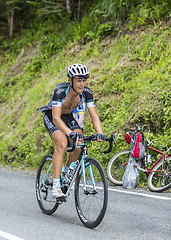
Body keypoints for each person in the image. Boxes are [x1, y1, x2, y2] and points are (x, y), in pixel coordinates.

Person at [38, 64, 106, 198]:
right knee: (62, 143)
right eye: (78, 80)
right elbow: (57, 119)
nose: (82, 84)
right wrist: (70, 133)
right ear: (70, 80)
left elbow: (94, 115)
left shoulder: (86, 93)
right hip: (52, 116)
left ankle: (65, 173)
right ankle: (56, 186)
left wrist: (100, 132)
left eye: (84, 80)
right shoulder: (60, 91)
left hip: (68, 117)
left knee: (79, 144)